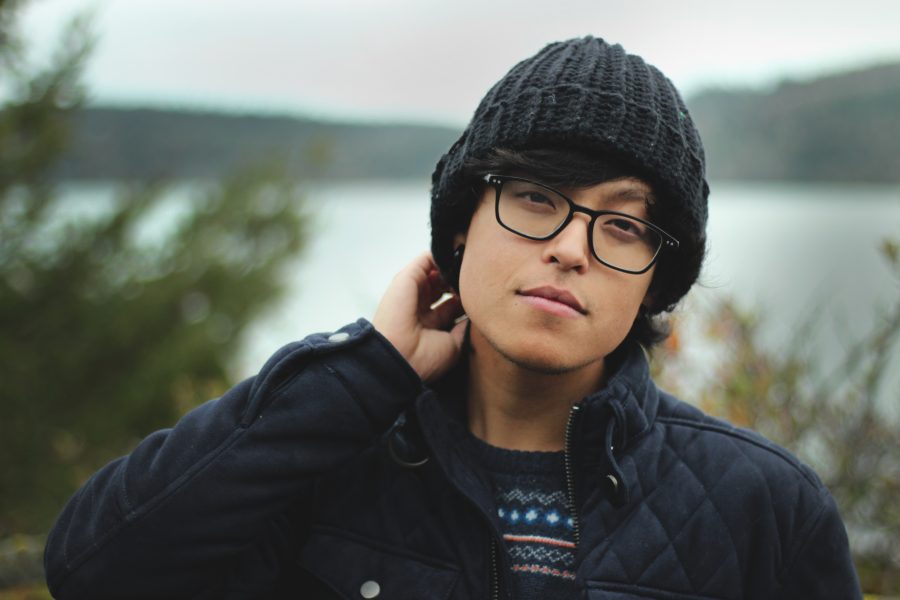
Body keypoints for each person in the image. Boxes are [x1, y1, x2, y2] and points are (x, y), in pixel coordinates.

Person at [44, 36, 861, 599]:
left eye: (621, 224)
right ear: (462, 225)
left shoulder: (765, 507)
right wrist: (361, 373)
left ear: (655, 281)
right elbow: (91, 569)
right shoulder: (330, 458)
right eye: (536, 197)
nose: (570, 249)